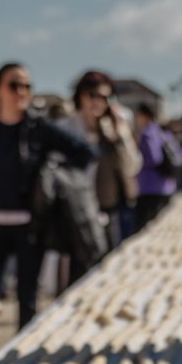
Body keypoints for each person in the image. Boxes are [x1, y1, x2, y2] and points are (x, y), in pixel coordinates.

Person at [0, 61, 94, 364]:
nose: (21, 92)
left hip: (29, 225)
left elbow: (85, 152)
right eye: (14, 85)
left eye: (27, 86)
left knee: (27, 295)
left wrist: (53, 173)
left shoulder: (39, 127)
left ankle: (20, 356)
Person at [60, 70, 139, 252]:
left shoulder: (113, 129)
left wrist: (121, 136)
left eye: (104, 97)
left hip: (111, 210)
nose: (97, 102)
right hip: (76, 215)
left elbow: (132, 166)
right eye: (92, 95)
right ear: (80, 96)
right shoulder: (66, 128)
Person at [132, 102, 181, 231]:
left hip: (150, 187)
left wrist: (136, 162)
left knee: (144, 231)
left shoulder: (148, 133)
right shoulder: (164, 132)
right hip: (168, 186)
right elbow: (181, 156)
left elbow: (154, 158)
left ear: (143, 115)